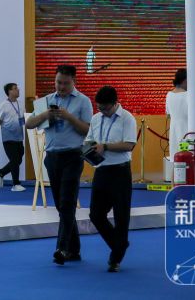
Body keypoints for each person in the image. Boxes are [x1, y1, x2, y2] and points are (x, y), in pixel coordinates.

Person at [25, 64, 93, 265]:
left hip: (73, 155)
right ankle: (74, 250)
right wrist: (45, 115)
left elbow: (88, 130)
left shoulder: (83, 101)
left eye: (65, 83)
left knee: (67, 203)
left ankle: (62, 248)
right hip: (52, 157)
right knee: (61, 206)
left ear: (74, 82)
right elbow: (29, 124)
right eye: (58, 82)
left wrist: (69, 117)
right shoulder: (47, 101)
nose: (61, 86)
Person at [85, 85, 137, 272]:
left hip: (120, 172)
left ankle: (115, 258)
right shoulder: (95, 118)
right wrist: (88, 149)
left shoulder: (127, 118)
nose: (102, 111)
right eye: (99, 108)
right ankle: (119, 244)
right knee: (95, 214)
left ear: (115, 103)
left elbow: (129, 145)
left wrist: (105, 146)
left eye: (105, 108)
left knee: (121, 216)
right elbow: (89, 139)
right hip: (101, 171)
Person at [166, 68, 195, 173]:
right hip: (189, 135)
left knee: (177, 163)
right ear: (185, 80)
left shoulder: (169, 95)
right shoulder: (191, 96)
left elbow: (168, 114)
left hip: (175, 135)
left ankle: (176, 183)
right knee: (193, 163)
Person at [0, 82, 26, 192]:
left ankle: (0, 173)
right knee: (14, 160)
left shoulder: (21, 104)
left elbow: (24, 120)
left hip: (19, 137)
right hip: (8, 138)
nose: (18, 90)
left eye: (17, 88)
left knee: (18, 160)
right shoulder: (3, 105)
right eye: (15, 88)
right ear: (9, 91)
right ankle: (16, 184)